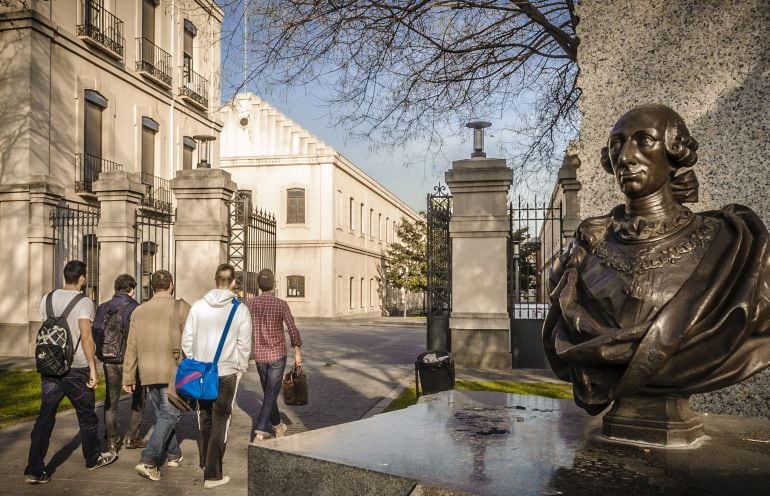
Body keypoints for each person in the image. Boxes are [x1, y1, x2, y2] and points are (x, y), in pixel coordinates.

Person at [543, 104, 770, 415]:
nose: (625, 157)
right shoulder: (584, 250)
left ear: (674, 150)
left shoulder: (732, 244)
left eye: (644, 140)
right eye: (617, 144)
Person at [25, 260, 117, 484]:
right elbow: (86, 336)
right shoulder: (84, 302)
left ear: (64, 276)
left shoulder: (46, 298)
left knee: (45, 418)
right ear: (82, 278)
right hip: (76, 368)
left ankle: (34, 468)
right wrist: (93, 369)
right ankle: (92, 458)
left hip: (51, 367)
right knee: (87, 417)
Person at [182, 263, 252, 489]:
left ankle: (205, 460)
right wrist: (240, 368)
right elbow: (244, 345)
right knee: (222, 419)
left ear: (215, 280)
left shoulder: (198, 306)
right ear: (233, 283)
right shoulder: (239, 309)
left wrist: (194, 362)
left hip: (201, 372)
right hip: (226, 372)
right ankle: (213, 474)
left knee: (205, 416)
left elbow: (187, 341)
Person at [123, 270, 190, 482]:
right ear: (171, 284)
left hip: (148, 370)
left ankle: (173, 454)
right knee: (170, 415)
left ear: (152, 286)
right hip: (173, 369)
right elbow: (190, 340)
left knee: (164, 413)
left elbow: (131, 346)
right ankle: (148, 460)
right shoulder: (181, 307)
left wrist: (129, 377)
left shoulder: (139, 311)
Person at [247, 268, 302, 441]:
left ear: (258, 285)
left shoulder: (250, 304)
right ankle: (261, 430)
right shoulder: (281, 304)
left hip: (260, 355)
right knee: (270, 392)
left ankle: (278, 426)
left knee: (269, 392)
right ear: (274, 284)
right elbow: (292, 328)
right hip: (277, 354)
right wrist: (297, 352)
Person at [93, 274, 143, 453]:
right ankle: (131, 437)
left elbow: (96, 330)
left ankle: (112, 440)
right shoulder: (135, 308)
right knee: (138, 398)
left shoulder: (103, 307)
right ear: (131, 289)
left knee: (111, 399)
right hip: (130, 360)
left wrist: (101, 352)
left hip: (109, 359)